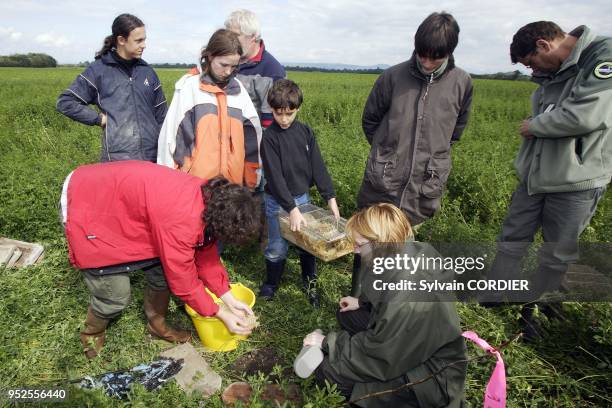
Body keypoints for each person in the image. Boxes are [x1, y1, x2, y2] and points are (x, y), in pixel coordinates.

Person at [485, 22, 611, 338]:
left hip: (575, 179)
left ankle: (536, 310)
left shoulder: (602, 55)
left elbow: (585, 115)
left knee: (556, 252)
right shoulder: (551, 72)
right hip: (535, 175)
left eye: (531, 63)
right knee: (512, 238)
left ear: (544, 45)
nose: (531, 70)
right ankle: (494, 298)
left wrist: (535, 125)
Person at [61, 161, 262, 359]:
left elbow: (205, 250)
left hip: (130, 204)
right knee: (115, 295)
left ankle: (157, 326)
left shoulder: (214, 202)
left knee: (162, 276)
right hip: (89, 201)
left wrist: (229, 298)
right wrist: (220, 313)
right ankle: (91, 334)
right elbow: (183, 280)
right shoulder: (183, 219)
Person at [353, 11, 473, 297]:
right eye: (423, 55)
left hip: (423, 185)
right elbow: (370, 121)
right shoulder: (392, 77)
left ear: (449, 53)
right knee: (367, 244)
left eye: (436, 57)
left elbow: (455, 131)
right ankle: (357, 300)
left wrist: (432, 157)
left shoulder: (462, 83)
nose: (428, 63)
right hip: (383, 182)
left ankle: (393, 308)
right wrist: (387, 152)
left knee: (402, 253)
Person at [302, 204, 466, 407]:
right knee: (347, 314)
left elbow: (379, 355)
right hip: (411, 343)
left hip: (431, 378)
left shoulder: (404, 293)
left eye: (360, 244)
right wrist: (362, 302)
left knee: (327, 372)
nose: (355, 249)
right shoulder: (408, 250)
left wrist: (328, 342)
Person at [259, 79, 339, 306]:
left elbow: (318, 166)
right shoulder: (270, 138)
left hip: (302, 198)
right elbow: (274, 177)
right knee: (277, 246)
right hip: (277, 201)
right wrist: (291, 209)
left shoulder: (305, 133)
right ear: (271, 109)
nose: (284, 119)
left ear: (298, 109)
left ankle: (310, 283)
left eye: (289, 113)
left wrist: (330, 197)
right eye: (278, 113)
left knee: (308, 242)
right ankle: (271, 283)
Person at [157, 29, 262, 189]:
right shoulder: (189, 88)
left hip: (232, 190)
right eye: (223, 65)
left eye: (233, 66)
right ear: (210, 56)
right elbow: (169, 139)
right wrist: (168, 185)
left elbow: (253, 139)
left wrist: (251, 183)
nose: (228, 71)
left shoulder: (239, 92)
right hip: (193, 188)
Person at [57, 13, 167, 162]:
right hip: (117, 159)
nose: (144, 45)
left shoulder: (148, 72)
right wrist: (98, 118)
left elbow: (162, 115)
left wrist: (164, 152)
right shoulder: (98, 71)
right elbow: (65, 102)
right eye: (138, 41)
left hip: (152, 158)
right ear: (121, 40)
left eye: (144, 40)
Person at [225, 9, 286, 129]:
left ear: (253, 36)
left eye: (235, 36)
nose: (229, 41)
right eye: (228, 35)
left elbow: (270, 123)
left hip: (249, 141)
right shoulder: (226, 59)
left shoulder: (272, 71)